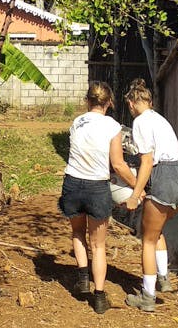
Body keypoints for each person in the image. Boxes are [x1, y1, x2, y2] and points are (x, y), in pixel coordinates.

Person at [58, 81, 138, 314]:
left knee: (77, 232)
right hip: (97, 188)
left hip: (72, 183)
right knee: (99, 244)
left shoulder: (76, 122)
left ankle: (83, 278)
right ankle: (100, 296)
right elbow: (118, 164)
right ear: (109, 102)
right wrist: (137, 187)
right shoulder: (113, 126)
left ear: (87, 100)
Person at [123, 78, 178, 313]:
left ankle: (148, 296)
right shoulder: (160, 119)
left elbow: (146, 161)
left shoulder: (141, 122)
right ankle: (163, 278)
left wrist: (135, 194)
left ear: (132, 103)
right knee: (158, 229)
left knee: (147, 239)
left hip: (164, 177)